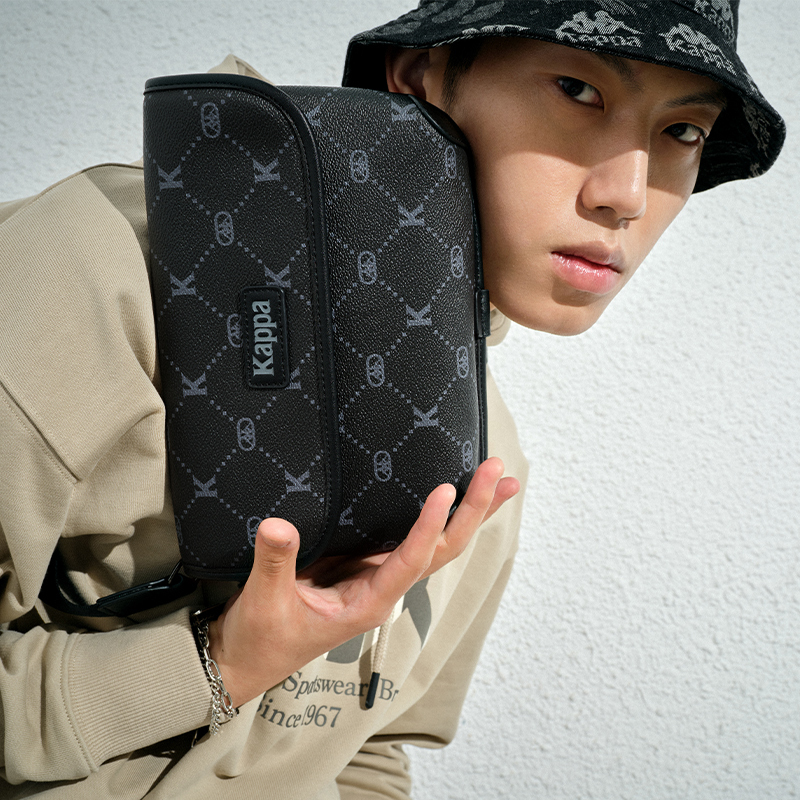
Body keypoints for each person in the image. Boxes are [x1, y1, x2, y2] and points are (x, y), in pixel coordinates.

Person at [0, 1, 784, 798]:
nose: (627, 193)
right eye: (579, 91)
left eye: (682, 131)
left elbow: (368, 750)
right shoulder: (102, 264)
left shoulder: (487, 458)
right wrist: (220, 663)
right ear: (419, 76)